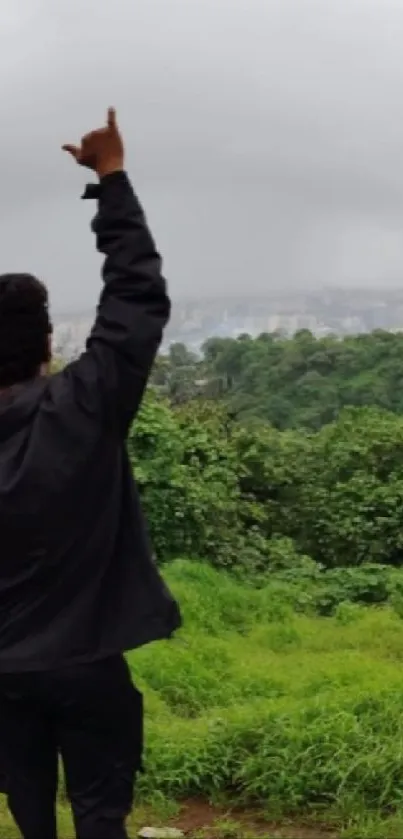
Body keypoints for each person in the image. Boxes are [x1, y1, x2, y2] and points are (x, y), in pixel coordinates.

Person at [0, 108, 181, 839]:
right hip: (87, 665)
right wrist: (110, 179)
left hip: (2, 676)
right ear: (47, 342)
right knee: (101, 820)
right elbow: (135, 302)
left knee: (28, 814)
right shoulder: (84, 407)